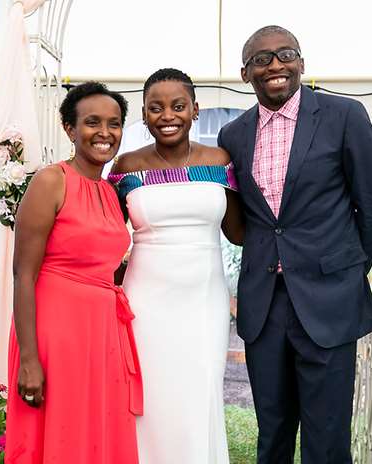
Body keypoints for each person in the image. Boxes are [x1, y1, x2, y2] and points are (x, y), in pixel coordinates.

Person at [217, 26, 372, 463]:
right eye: (262, 59)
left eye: (285, 54)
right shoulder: (232, 136)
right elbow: (244, 220)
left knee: (327, 435)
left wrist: (346, 273)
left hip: (328, 300)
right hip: (264, 305)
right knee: (272, 432)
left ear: (302, 62)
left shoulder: (344, 115)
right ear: (245, 73)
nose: (275, 65)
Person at [108, 68, 243, 464]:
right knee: (149, 392)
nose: (168, 115)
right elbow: (109, 233)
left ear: (195, 110)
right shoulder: (126, 165)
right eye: (156, 108)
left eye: (178, 106)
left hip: (204, 298)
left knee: (199, 391)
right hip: (145, 300)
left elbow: (238, 232)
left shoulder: (219, 160)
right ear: (144, 115)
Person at [5, 82, 143, 464]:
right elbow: (23, 275)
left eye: (114, 124)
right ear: (69, 128)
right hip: (56, 331)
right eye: (92, 122)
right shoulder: (51, 181)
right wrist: (30, 358)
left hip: (101, 333)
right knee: (58, 431)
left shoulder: (112, 193)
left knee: (94, 429)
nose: (104, 133)